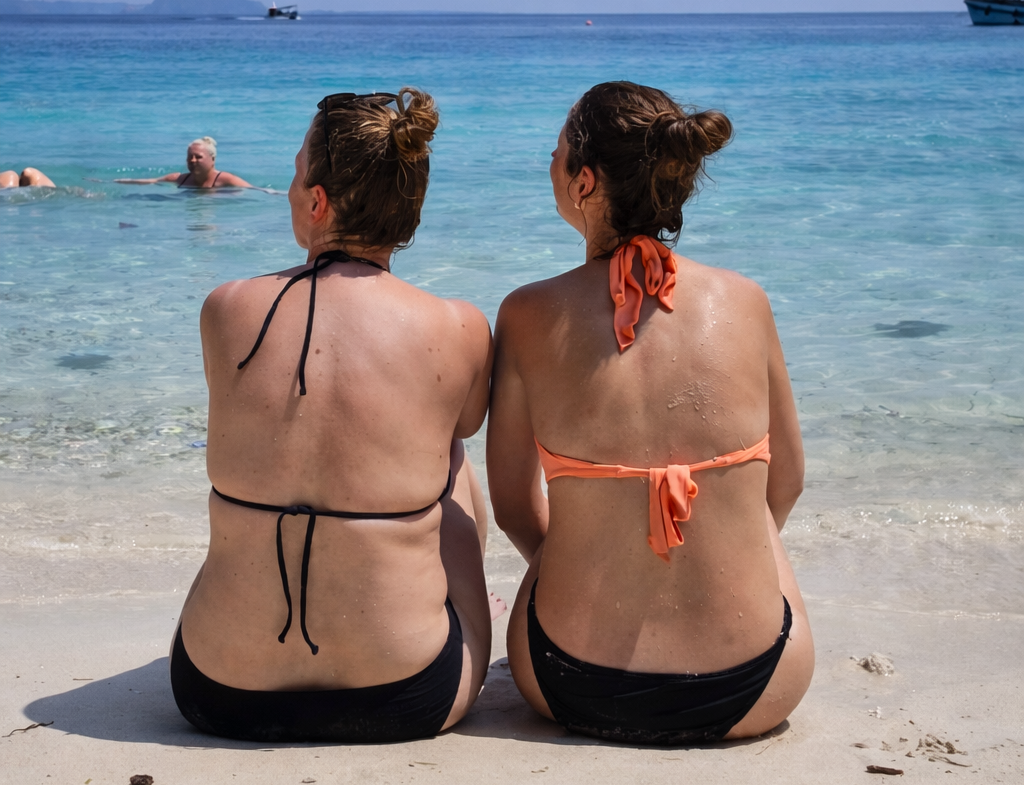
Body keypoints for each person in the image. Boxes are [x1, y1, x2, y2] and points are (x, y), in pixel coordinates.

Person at [487, 81, 814, 746]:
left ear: (583, 183)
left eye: (553, 155)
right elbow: (786, 486)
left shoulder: (526, 314)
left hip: (568, 683)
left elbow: (514, 509)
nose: (546, 167)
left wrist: (596, 556)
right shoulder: (744, 301)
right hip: (755, 686)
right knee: (753, 516)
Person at [171, 89, 493, 743]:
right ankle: (417, 616)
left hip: (218, 690)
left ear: (317, 202)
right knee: (452, 453)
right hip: (407, 693)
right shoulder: (458, 327)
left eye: (295, 176)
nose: (292, 190)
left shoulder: (225, 308)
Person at [115, 136, 252, 189]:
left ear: (213, 159)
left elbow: (256, 190)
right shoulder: (180, 179)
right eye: (189, 157)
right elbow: (149, 181)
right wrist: (115, 182)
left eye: (198, 157)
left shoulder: (227, 179)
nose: (193, 161)